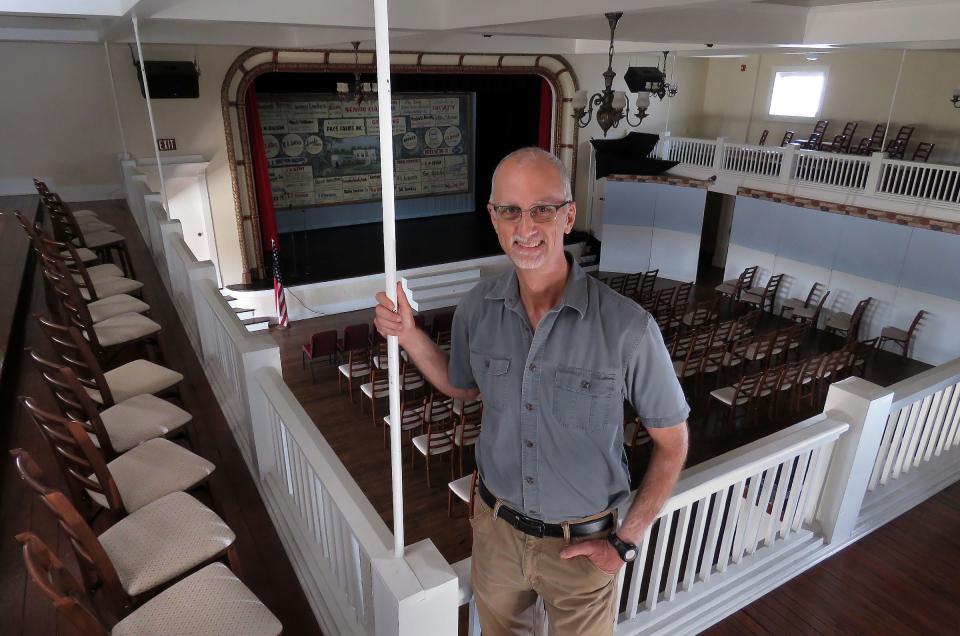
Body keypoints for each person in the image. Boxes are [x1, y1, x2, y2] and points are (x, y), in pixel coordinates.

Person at [374, 147, 689, 635]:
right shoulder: (476, 308)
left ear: (569, 216)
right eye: (511, 211)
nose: (526, 227)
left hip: (585, 548)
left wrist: (625, 542)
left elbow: (673, 444)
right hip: (496, 534)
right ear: (494, 219)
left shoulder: (629, 328)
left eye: (543, 208)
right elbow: (461, 387)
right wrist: (410, 335)